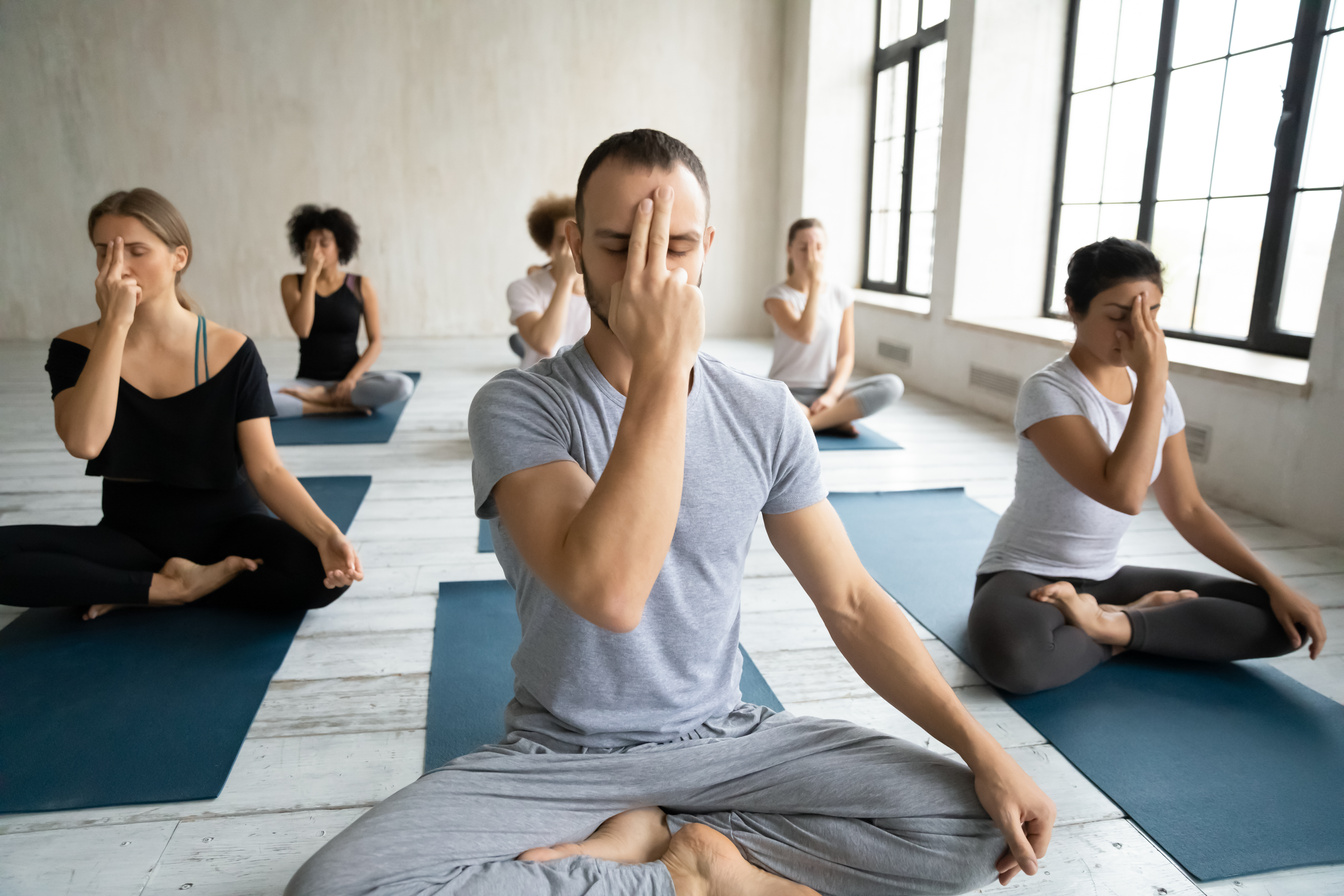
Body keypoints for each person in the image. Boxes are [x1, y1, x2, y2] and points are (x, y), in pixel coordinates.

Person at [287, 130, 1054, 896]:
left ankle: (683, 845)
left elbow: (850, 601)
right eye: (621, 246)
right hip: (561, 756)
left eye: (677, 245)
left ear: (707, 247)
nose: (649, 274)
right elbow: (611, 592)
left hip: (722, 740)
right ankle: (687, 880)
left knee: (979, 834)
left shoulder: (763, 412)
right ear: (577, 248)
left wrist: (984, 752)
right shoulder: (519, 406)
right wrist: (661, 366)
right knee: (331, 890)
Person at [968, 238, 1327, 695]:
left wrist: (1276, 584)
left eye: (1151, 314)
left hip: (1107, 579)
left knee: (1281, 622)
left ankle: (1113, 623)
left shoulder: (1159, 393)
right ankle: (1130, 626)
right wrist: (1153, 377)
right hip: (1025, 576)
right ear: (1074, 308)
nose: (1138, 333)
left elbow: (1189, 509)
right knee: (1019, 662)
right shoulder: (1049, 391)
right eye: (1119, 316)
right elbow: (1125, 493)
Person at [0, 189, 362, 620]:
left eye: (136, 251)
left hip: (231, 529)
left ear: (179, 257)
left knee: (321, 573)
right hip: (132, 539)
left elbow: (266, 469)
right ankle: (170, 587)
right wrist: (116, 326)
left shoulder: (232, 349)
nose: (118, 267)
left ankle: (146, 590)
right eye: (104, 252)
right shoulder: (74, 347)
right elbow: (85, 442)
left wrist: (326, 535)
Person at [270, 205, 413, 416]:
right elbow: (302, 329)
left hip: (350, 382)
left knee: (403, 385)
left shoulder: (360, 285)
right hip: (306, 383)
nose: (314, 251)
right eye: (308, 245)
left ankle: (327, 398)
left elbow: (376, 342)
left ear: (340, 246)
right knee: (254, 398)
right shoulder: (291, 282)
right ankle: (330, 406)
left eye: (324, 244)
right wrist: (310, 275)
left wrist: (351, 380)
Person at [764, 218, 904, 436]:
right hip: (787, 393)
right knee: (765, 401)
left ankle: (813, 424)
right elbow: (805, 333)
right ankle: (835, 420)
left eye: (818, 248)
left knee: (892, 385)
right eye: (803, 248)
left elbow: (846, 354)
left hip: (828, 394)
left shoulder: (841, 294)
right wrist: (815, 283)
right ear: (789, 250)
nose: (812, 256)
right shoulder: (777, 296)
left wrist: (831, 395)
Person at [506, 194, 591, 368]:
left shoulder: (607, 288)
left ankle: (520, 342)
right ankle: (521, 341)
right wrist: (566, 279)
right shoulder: (523, 288)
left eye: (576, 239)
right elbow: (545, 344)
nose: (571, 248)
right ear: (548, 246)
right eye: (562, 240)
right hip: (541, 385)